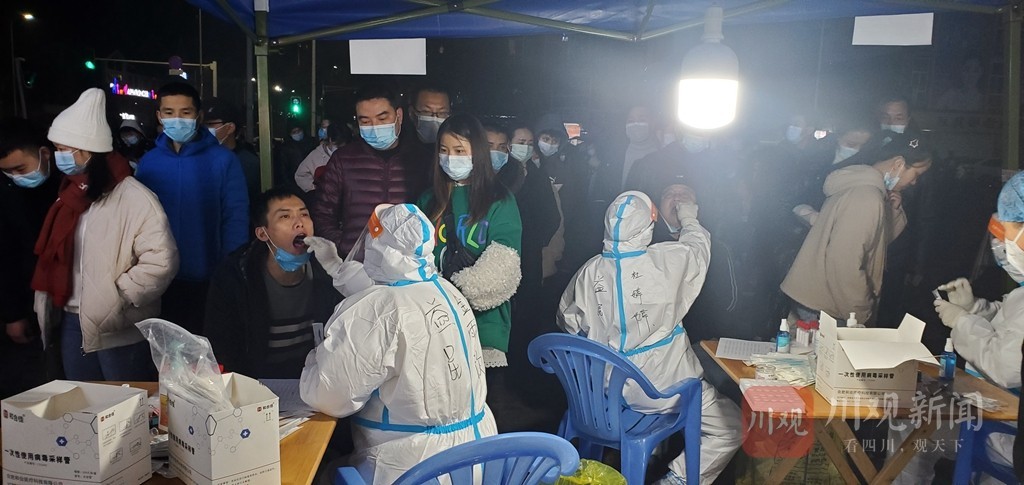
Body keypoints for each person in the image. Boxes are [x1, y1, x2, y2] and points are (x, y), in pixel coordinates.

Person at [300, 203, 497, 484]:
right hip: (480, 458)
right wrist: (336, 266)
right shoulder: (445, 290)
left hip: (414, 465)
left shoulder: (379, 310)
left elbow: (329, 396)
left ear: (379, 246)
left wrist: (315, 360)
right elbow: (390, 292)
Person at [558, 190, 742, 485]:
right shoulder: (666, 260)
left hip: (602, 394)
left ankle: (649, 455)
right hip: (662, 393)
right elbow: (698, 247)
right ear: (650, 223)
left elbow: (566, 322)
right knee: (732, 425)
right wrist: (688, 216)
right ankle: (676, 479)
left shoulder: (588, 272)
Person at [32, 88, 178, 380]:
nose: (60, 156)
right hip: (71, 319)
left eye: (64, 149)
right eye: (57, 148)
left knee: (126, 401)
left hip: (119, 326)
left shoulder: (134, 197)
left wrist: (116, 298)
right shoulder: (68, 195)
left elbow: (161, 261)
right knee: (82, 399)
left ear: (88, 150)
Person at [888, 177, 1024, 484]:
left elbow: (1007, 366)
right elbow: (1011, 323)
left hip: (1007, 432)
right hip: (1005, 417)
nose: (1001, 245)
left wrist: (963, 321)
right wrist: (975, 308)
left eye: (1009, 232)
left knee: (908, 423)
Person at [416, 114, 522, 426]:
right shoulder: (428, 200)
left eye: (460, 150)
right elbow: (413, 257)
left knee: (485, 412)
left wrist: (456, 293)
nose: (451, 158)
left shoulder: (500, 200)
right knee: (443, 411)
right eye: (444, 150)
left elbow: (504, 263)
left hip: (485, 329)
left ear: (478, 152)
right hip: (436, 325)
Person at [204, 188, 372, 378]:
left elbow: (364, 317)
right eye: (285, 216)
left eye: (304, 214)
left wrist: (339, 270)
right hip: (256, 383)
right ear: (262, 233)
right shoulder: (234, 276)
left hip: (316, 379)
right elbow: (223, 348)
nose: (299, 223)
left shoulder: (329, 270)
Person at [135, 82, 249, 334]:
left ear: (198, 116)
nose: (177, 119)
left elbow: (236, 216)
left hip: (207, 275)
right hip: (159, 277)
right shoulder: (149, 162)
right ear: (159, 116)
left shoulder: (223, 160)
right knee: (165, 347)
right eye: (169, 112)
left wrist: (229, 267)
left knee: (204, 345)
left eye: (185, 112)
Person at [781, 134, 932, 326]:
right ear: (899, 164)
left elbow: (873, 245)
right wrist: (861, 313)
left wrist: (892, 212)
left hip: (818, 298)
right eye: (916, 174)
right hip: (829, 305)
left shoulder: (859, 188)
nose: (914, 182)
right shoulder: (867, 197)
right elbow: (845, 262)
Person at [313, 84, 430, 256]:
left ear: (398, 116)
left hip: (408, 262)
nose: (375, 127)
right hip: (357, 263)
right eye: (365, 121)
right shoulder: (343, 160)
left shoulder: (420, 159)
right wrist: (345, 247)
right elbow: (322, 214)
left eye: (382, 119)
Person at [0, 118, 63, 394]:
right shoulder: (7, 196)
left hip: (70, 302)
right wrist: (13, 315)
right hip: (28, 302)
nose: (15, 176)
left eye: (20, 168)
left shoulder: (70, 185)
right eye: (7, 172)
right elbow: (5, 259)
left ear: (44, 154)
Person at [204, 98, 262, 205]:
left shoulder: (248, 163)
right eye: (199, 125)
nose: (203, 129)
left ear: (230, 128)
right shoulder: (190, 158)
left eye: (210, 124)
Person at [294, 122, 351, 194]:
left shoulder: (351, 155)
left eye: (343, 146)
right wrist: (314, 189)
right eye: (338, 145)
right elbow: (300, 176)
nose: (340, 148)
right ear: (330, 139)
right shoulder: (316, 155)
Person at [620, 105, 662, 191]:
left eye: (642, 120)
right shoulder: (615, 155)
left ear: (653, 123)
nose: (636, 124)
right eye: (631, 121)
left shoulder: (662, 156)